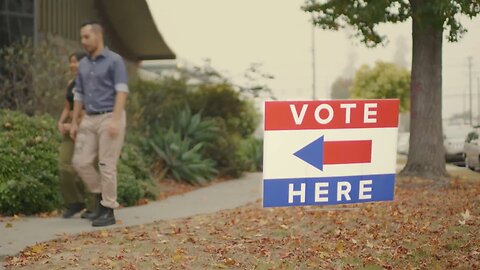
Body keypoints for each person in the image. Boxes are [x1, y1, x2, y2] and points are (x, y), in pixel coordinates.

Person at [70, 21, 129, 227]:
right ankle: (99, 200)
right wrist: (74, 122)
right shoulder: (84, 64)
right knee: (80, 162)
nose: (83, 41)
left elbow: (122, 91)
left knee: (106, 164)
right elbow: (79, 94)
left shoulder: (115, 61)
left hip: (110, 116)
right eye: (82, 38)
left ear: (97, 36)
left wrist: (115, 120)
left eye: (86, 37)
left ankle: (108, 209)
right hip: (89, 117)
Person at [57, 51, 96, 219]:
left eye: (76, 62)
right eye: (70, 62)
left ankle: (94, 207)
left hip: (87, 130)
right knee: (63, 164)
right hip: (69, 129)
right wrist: (61, 122)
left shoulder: (91, 83)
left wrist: (74, 123)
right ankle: (75, 202)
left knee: (88, 167)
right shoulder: (70, 83)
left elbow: (89, 110)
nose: (72, 65)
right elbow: (67, 106)